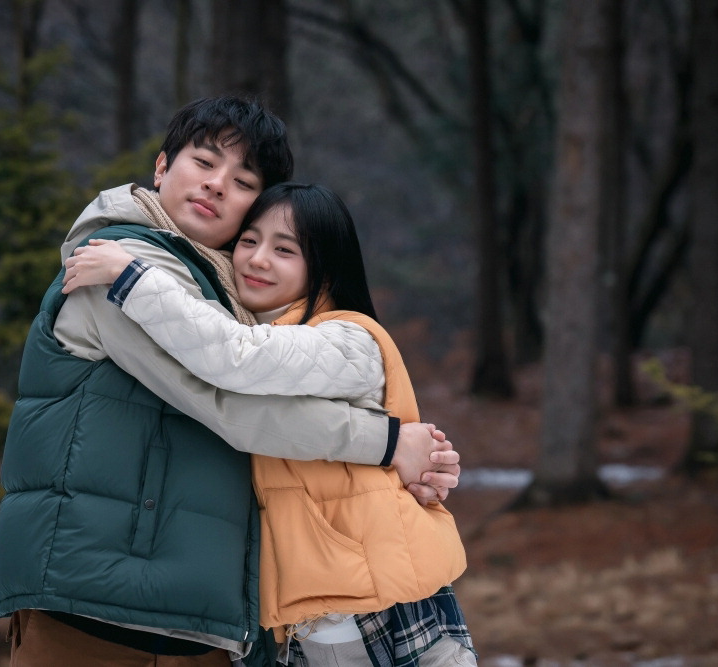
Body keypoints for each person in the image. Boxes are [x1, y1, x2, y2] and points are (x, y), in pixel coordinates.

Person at [0, 97, 462, 667]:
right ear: (162, 167)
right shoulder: (119, 264)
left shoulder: (227, 294)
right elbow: (227, 405)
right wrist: (388, 444)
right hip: (92, 608)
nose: (216, 185)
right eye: (204, 162)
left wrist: (419, 460)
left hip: (201, 621)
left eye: (242, 182)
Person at [63, 182, 477, 666]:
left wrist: (132, 278)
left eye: (284, 250)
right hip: (309, 614)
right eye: (248, 241)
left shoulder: (348, 338)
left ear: (325, 266)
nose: (257, 260)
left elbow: (235, 357)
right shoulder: (270, 336)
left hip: (377, 598)